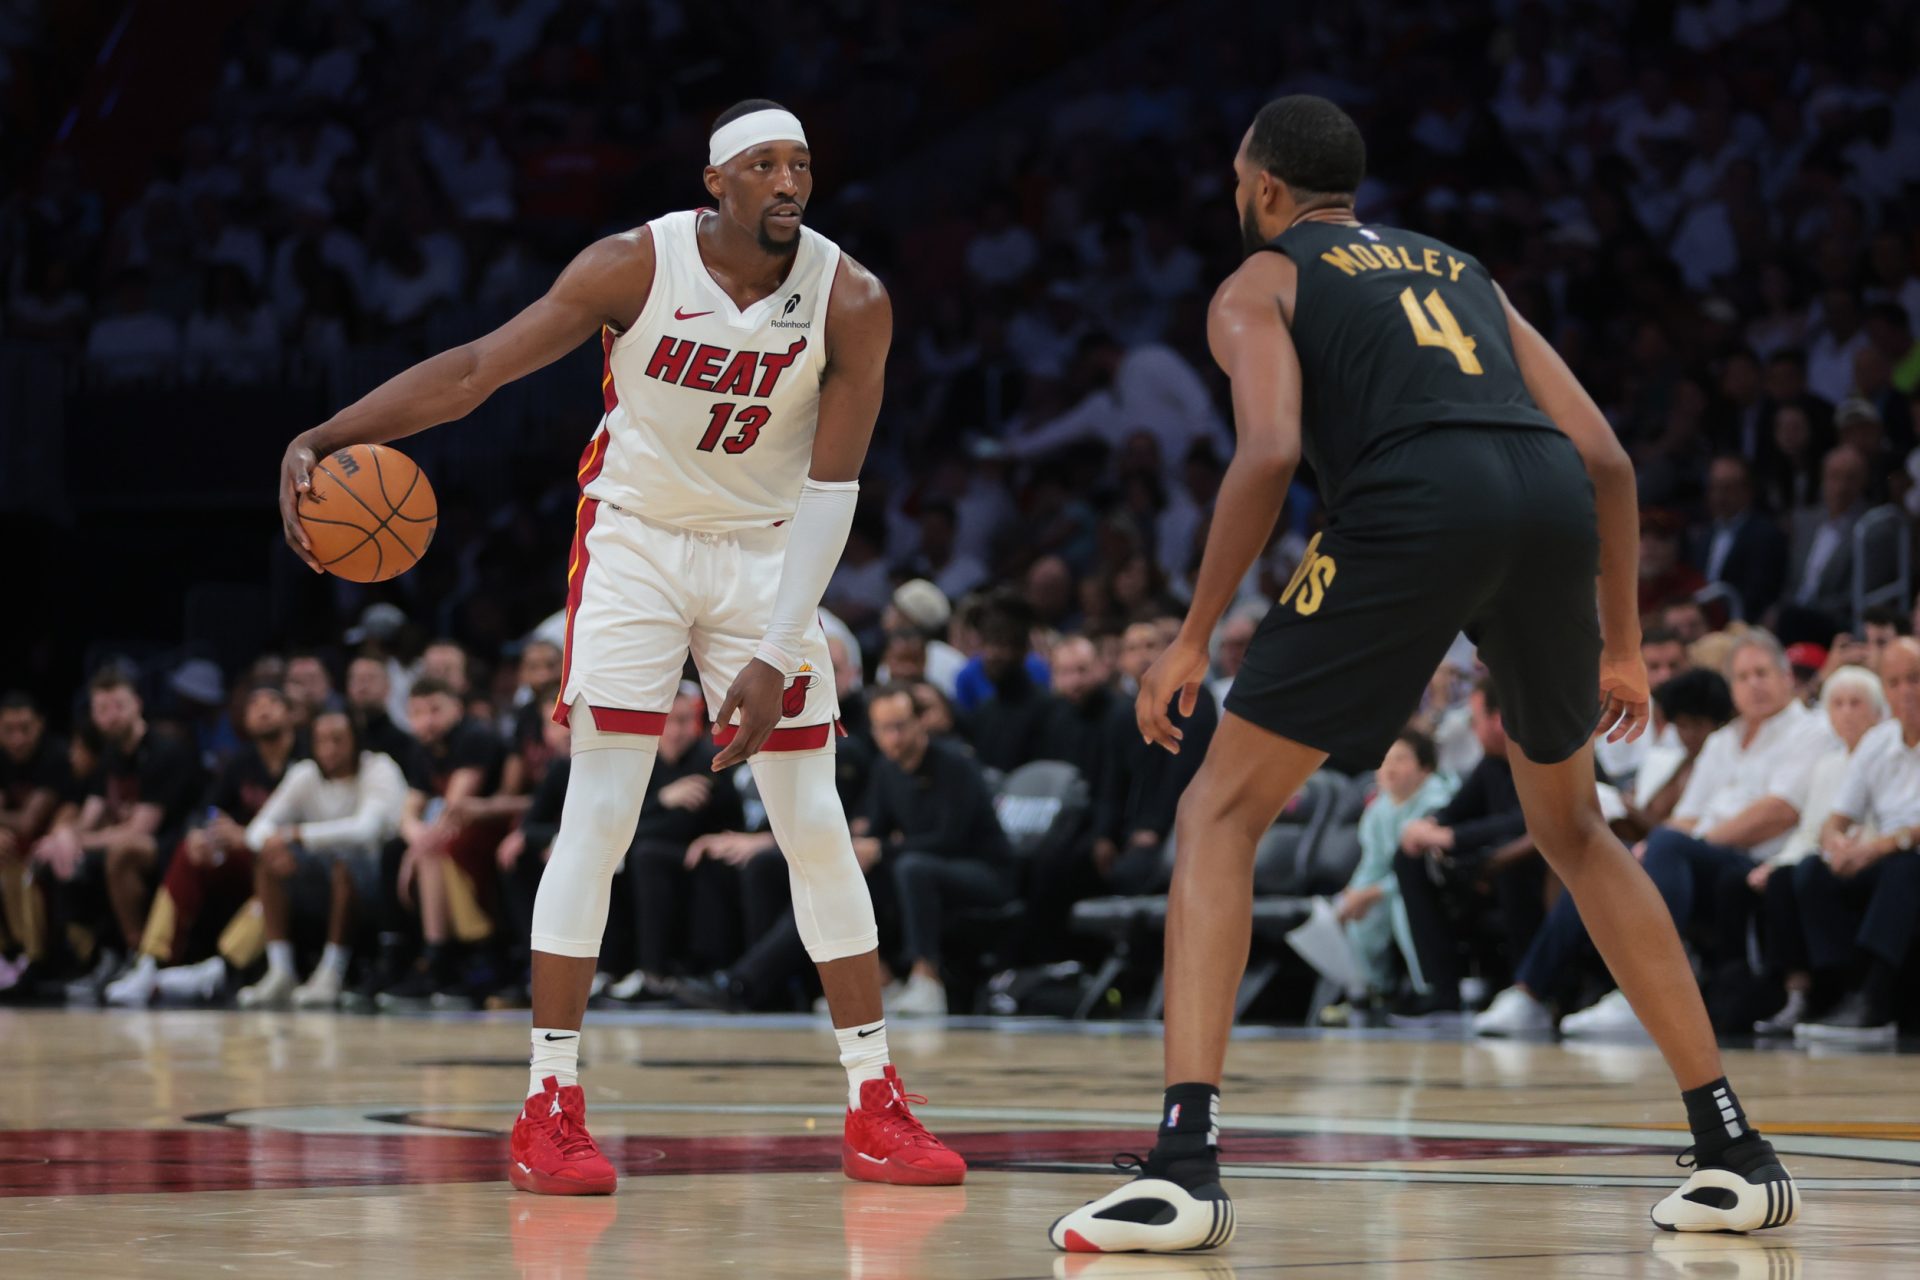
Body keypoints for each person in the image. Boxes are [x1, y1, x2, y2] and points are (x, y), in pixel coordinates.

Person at [1051, 98, 1796, 1253]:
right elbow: (1602, 451)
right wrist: (1621, 640)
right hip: (1547, 500)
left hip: (1414, 507)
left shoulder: (1260, 282)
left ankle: (1184, 1165)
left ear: (1261, 191)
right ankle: (1736, 1148)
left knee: (1218, 808)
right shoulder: (1461, 270)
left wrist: (1194, 631)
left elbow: (1271, 450)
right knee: (1578, 829)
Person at [276, 99, 961, 1195]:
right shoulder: (631, 266)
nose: (789, 182)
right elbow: (474, 372)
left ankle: (874, 1100)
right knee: (600, 813)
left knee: (816, 822)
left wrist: (779, 649)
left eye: (802, 164)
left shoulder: (854, 297)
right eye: (765, 165)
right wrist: (328, 435)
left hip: (767, 550)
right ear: (715, 183)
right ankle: (548, 1104)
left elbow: (835, 491)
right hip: (636, 540)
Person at [103, 685, 302, 1006]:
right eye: (254, 704)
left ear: (291, 713)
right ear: (243, 719)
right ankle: (150, 962)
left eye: (272, 703)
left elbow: (307, 825)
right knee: (189, 850)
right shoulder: (242, 762)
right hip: (244, 856)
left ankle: (222, 968)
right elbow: (208, 809)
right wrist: (202, 832)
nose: (263, 710)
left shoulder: (305, 762)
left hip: (287, 859)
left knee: (274, 873)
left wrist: (246, 835)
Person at [32, 668, 203, 997]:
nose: (110, 716)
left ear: (137, 704)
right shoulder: (109, 757)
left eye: (118, 706)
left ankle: (138, 957)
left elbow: (140, 829)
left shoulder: (164, 751)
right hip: (124, 841)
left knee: (119, 855)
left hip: (170, 844)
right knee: (56, 858)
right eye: (101, 709)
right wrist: (62, 837)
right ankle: (96, 957)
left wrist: (77, 840)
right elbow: (91, 816)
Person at [234, 709, 409, 1008]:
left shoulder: (378, 768)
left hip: (381, 887)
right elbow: (256, 830)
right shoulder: (304, 774)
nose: (329, 748)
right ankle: (281, 971)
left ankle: (332, 971)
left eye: (338, 740)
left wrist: (297, 835)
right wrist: (274, 845)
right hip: (321, 888)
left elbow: (364, 831)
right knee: (268, 860)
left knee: (344, 862)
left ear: (356, 741)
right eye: (321, 740)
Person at [1791, 638, 1920, 1043]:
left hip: (1905, 855)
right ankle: (1841, 989)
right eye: (1895, 682)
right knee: (1811, 870)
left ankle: (1873, 1001)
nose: (1906, 692)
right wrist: (1837, 845)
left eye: (1915, 679)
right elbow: (1837, 819)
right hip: (1882, 854)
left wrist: (1883, 844)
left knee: (1905, 867)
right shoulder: (1877, 742)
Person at [861, 684, 1014, 1017]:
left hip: (985, 870)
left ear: (920, 723)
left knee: (912, 867)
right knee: (855, 873)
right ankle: (881, 981)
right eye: (884, 729)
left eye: (900, 726)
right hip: (925, 868)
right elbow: (876, 833)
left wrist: (882, 849)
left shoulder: (955, 763)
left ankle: (926, 981)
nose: (894, 737)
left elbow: (951, 838)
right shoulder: (885, 771)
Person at [1749, 665, 1887, 1035]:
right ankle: (1797, 993)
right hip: (1829, 855)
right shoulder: (1827, 766)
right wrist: (1777, 863)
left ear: (1877, 711)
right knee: (1781, 878)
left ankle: (1841, 986)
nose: (1845, 712)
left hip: (1872, 856)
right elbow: (1809, 830)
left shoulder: (1885, 755)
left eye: (1855, 703)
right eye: (1837, 704)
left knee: (1811, 873)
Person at [1393, 680, 1538, 1019]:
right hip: (1488, 868)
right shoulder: (1491, 765)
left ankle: (1527, 990)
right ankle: (1442, 990)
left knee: (1512, 863)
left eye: (1475, 720)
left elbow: (1531, 822)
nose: (1472, 730)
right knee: (1409, 858)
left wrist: (1451, 838)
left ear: (1499, 718)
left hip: (1536, 868)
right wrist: (1428, 825)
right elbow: (1456, 812)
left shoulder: (1540, 758)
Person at [1328, 729, 1453, 1016]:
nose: (1390, 767)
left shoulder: (1437, 801)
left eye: (1400, 759)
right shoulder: (1378, 811)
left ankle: (1429, 989)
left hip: (1439, 886)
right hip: (1392, 886)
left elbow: (1421, 871)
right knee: (1355, 909)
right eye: (1384, 759)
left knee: (1401, 904)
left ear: (1425, 768)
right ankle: (1375, 989)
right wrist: (1354, 893)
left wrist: (1371, 893)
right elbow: (1371, 865)